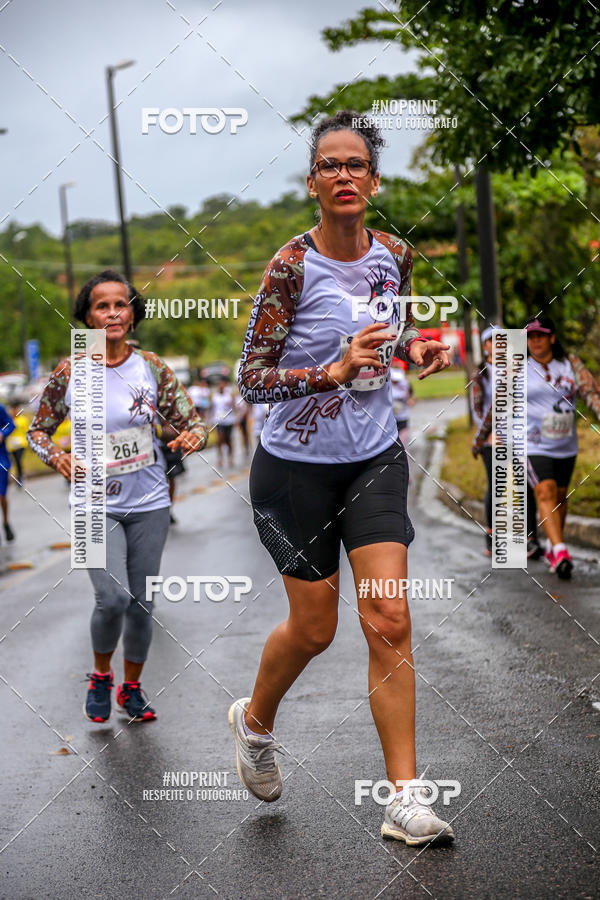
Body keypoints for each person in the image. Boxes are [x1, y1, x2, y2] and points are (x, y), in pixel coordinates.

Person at [230, 111, 455, 846]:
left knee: (389, 618)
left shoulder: (392, 253)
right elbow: (251, 378)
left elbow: (396, 323)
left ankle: (405, 799)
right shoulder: (290, 267)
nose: (345, 175)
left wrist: (416, 347)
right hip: (295, 469)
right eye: (330, 165)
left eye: (356, 164)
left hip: (373, 457)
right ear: (313, 185)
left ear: (374, 180)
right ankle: (255, 722)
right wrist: (331, 369)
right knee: (316, 628)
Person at [27, 270, 207, 722]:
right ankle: (101, 675)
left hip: (148, 501)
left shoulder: (151, 366)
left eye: (120, 304)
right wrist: (57, 459)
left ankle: (131, 688)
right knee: (112, 598)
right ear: (88, 316)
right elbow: (36, 431)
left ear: (132, 313)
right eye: (101, 306)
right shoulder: (74, 367)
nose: (112, 313)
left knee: (143, 602)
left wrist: (193, 437)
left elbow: (193, 420)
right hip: (91, 504)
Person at [473, 314, 600, 579]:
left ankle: (555, 546)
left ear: (552, 338)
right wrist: (481, 437)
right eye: (530, 337)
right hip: (531, 444)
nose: (536, 341)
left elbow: (590, 392)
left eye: (541, 335)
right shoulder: (517, 366)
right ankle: (561, 550)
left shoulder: (570, 364)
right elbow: (497, 407)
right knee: (545, 490)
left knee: (560, 496)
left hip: (565, 444)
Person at [0, 403, 16, 541]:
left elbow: (10, 424)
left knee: (1, 495)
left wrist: (2, 433)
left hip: (1, 460)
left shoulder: (0, 408)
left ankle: (5, 522)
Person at [211, 378, 235, 468]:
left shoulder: (229, 395)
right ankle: (220, 459)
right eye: (218, 385)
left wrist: (236, 418)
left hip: (229, 420)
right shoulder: (214, 396)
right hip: (218, 421)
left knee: (228, 440)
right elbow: (212, 409)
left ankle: (230, 458)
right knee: (220, 440)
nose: (220, 386)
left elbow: (234, 407)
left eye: (222, 384)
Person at [389, 360, 414, 446]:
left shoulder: (406, 384)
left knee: (403, 446)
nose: (396, 382)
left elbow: (411, 398)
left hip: (403, 419)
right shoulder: (386, 385)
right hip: (390, 421)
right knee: (391, 446)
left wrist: (410, 400)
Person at [7, 402, 28, 488]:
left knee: (19, 460)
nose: (14, 411)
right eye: (13, 410)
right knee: (14, 462)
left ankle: (20, 478)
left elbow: (27, 431)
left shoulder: (23, 420)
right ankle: (18, 476)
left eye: (16, 409)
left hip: (21, 443)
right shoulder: (9, 420)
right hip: (11, 445)